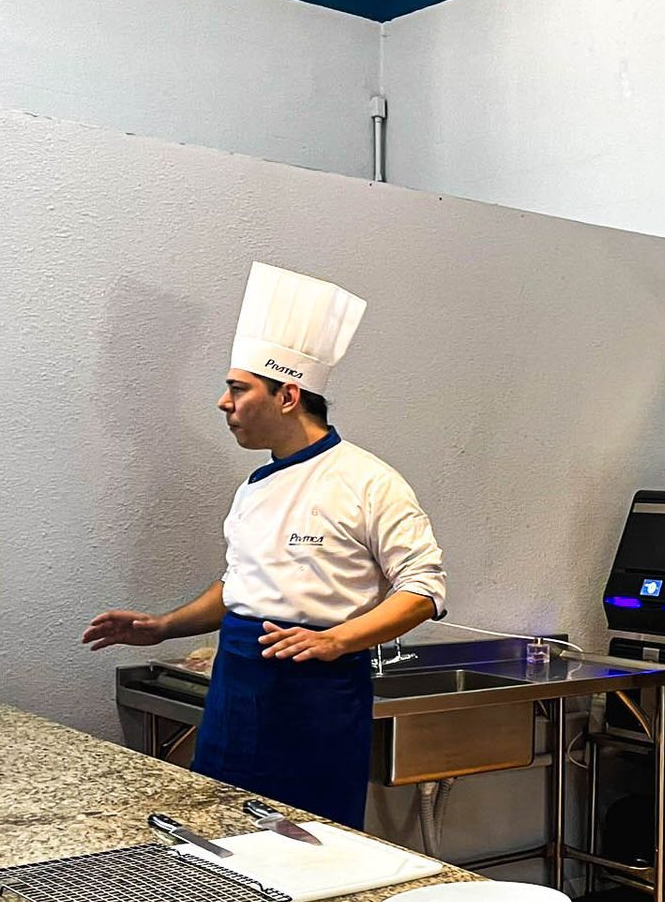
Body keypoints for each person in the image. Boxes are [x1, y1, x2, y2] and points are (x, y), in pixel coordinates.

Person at [83, 263, 446, 828]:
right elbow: (239, 587)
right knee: (220, 842)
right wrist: (162, 626)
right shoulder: (253, 488)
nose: (224, 404)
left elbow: (423, 590)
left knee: (316, 856)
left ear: (288, 395)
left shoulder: (368, 481)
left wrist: (336, 642)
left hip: (318, 702)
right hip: (236, 694)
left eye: (237, 389)